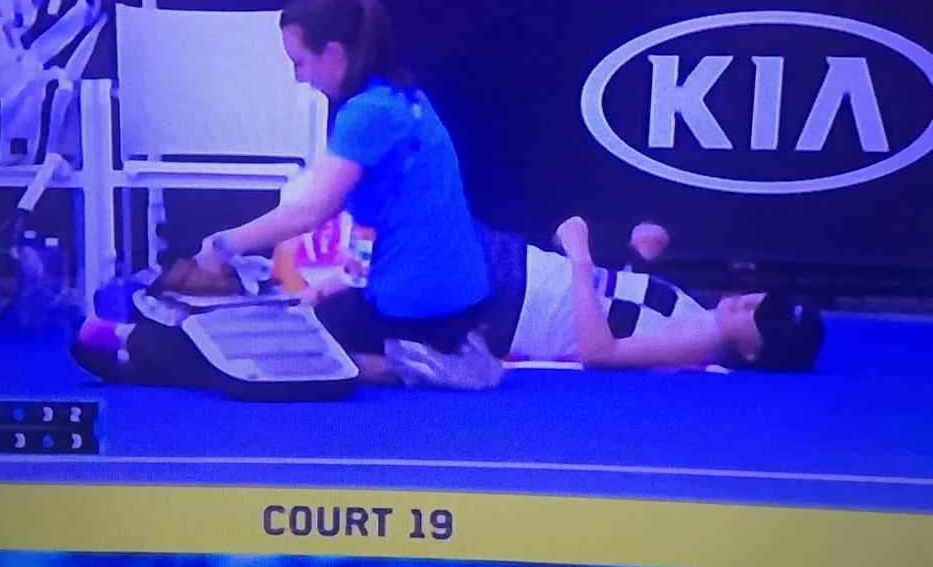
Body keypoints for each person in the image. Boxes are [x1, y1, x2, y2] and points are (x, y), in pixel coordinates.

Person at [194, 0, 494, 385]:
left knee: (279, 337)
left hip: (415, 307)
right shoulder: (406, 98)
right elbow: (381, 215)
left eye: (299, 63)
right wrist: (330, 287)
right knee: (308, 311)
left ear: (334, 53)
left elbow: (311, 210)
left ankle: (406, 362)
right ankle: (428, 352)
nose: (298, 77)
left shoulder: (366, 113)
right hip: (460, 301)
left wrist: (223, 244)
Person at [298, 216, 825, 373]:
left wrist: (580, 257)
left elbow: (601, 350)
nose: (750, 301)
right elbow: (622, 308)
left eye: (761, 318)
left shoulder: (701, 342)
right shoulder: (697, 316)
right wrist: (641, 257)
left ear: (753, 351)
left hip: (516, 301)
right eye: (763, 298)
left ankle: (328, 293)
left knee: (414, 234)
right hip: (524, 274)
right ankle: (331, 288)